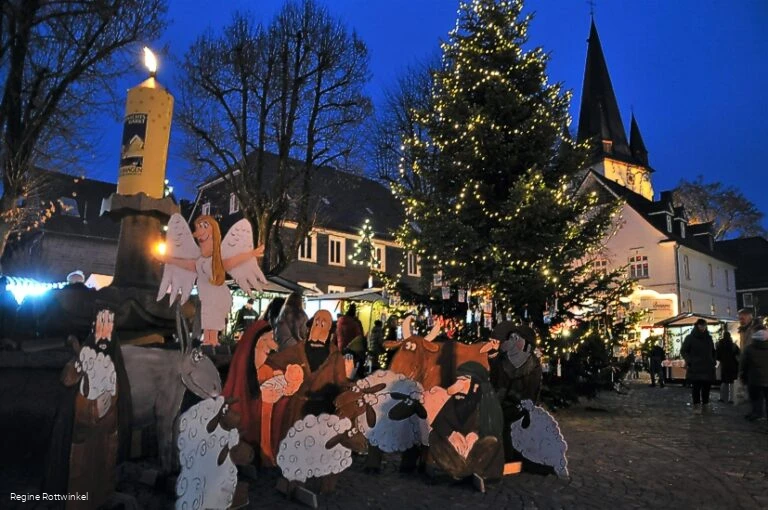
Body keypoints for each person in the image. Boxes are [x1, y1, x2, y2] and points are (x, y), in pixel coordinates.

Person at [428, 361, 504, 490]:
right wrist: (451, 434)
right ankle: (461, 471)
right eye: (459, 379)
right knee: (434, 436)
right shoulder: (457, 399)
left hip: (477, 448)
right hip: (457, 449)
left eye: (464, 380)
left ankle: (467, 471)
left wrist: (475, 435)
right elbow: (440, 421)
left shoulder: (486, 400)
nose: (458, 384)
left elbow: (493, 426)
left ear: (475, 383)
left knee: (492, 442)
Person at [681, 319, 716, 407]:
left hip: (707, 367)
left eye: (704, 326)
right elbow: (683, 351)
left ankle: (705, 404)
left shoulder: (709, 337)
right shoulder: (690, 338)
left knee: (706, 388)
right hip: (696, 367)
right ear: (697, 326)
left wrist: (713, 360)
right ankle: (696, 405)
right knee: (696, 387)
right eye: (701, 325)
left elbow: (713, 351)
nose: (703, 327)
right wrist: (690, 360)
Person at [740, 325, 768, 421]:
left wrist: (743, 375)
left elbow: (744, 364)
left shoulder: (749, 349)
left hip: (754, 378)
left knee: (756, 398)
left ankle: (756, 413)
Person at [716, 331, 740, 403]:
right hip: (733, 366)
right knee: (732, 383)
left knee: (724, 382)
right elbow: (738, 356)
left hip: (724, 366)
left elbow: (717, 357)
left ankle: (723, 398)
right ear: (730, 337)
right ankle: (731, 399)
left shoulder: (719, 345)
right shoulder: (734, 346)